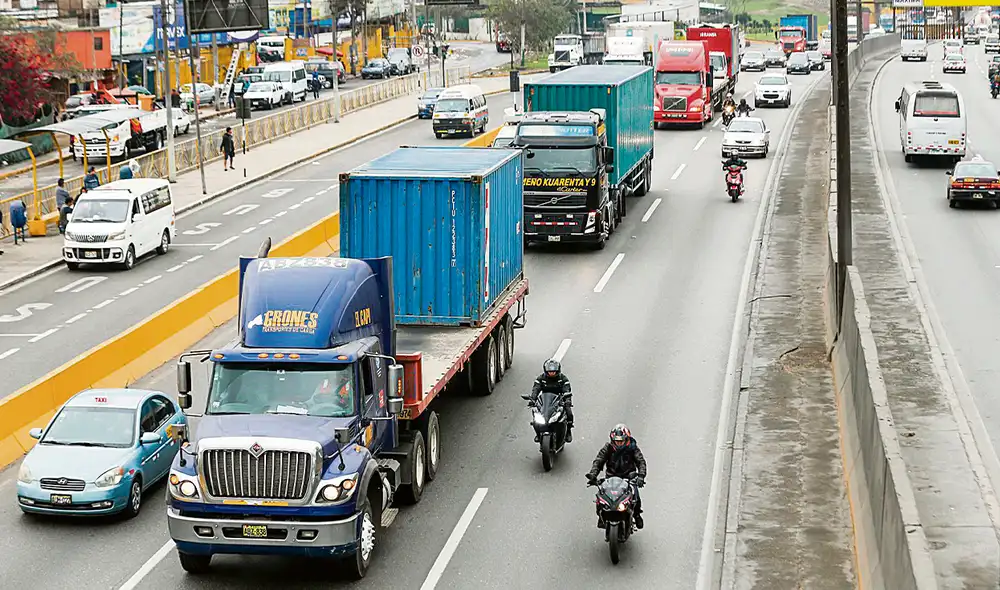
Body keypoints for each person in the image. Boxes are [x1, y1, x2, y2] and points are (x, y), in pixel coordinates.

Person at [586, 424, 647, 529]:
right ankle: (601, 516)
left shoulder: (633, 448)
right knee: (601, 497)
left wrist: (641, 476)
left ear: (626, 439)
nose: (619, 443)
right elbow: (599, 461)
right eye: (617, 441)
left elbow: (641, 462)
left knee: (635, 496)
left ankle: (637, 515)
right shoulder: (608, 448)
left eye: (621, 441)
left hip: (628, 478)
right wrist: (593, 474)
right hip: (611, 478)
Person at [530, 359, 574, 442]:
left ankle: (568, 431)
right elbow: (535, 389)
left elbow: (567, 390)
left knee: (569, 413)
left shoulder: (563, 379)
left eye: (553, 372)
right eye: (550, 372)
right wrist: (532, 399)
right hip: (544, 402)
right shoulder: (540, 379)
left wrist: (567, 401)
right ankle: (538, 433)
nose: (551, 373)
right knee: (535, 415)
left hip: (559, 401)